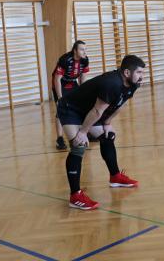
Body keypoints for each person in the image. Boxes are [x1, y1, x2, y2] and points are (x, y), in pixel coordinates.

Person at [58, 55, 144, 210]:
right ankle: (75, 196)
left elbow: (119, 104)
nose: (141, 76)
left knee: (107, 136)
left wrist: (107, 123)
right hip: (70, 108)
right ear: (126, 73)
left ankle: (115, 176)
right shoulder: (112, 83)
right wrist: (83, 132)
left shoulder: (133, 84)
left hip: (89, 110)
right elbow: (98, 111)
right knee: (79, 146)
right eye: (138, 72)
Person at [52, 41, 89, 150]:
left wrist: (84, 92)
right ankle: (59, 138)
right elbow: (57, 79)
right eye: (82, 49)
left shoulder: (85, 60)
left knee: (80, 107)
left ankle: (82, 133)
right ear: (75, 51)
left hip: (72, 82)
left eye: (85, 49)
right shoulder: (65, 60)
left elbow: (83, 77)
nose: (84, 52)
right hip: (60, 83)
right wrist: (60, 98)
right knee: (61, 109)